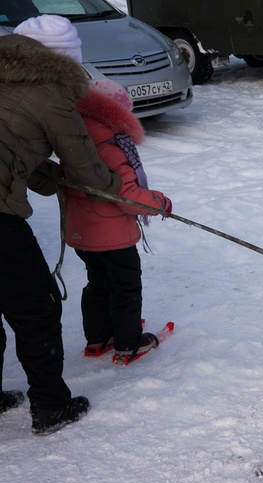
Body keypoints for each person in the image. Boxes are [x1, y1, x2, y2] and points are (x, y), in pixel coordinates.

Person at [0, 17, 122, 434]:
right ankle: (51, 407)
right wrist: (118, 191)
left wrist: (45, 178)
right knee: (37, 307)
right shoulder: (51, 94)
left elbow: (10, 139)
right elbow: (85, 163)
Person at [63, 78, 172, 366]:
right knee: (125, 286)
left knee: (98, 282)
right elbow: (126, 195)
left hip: (82, 233)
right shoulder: (112, 144)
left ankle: (98, 339)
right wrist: (158, 201)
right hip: (111, 235)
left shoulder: (74, 136)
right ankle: (128, 343)